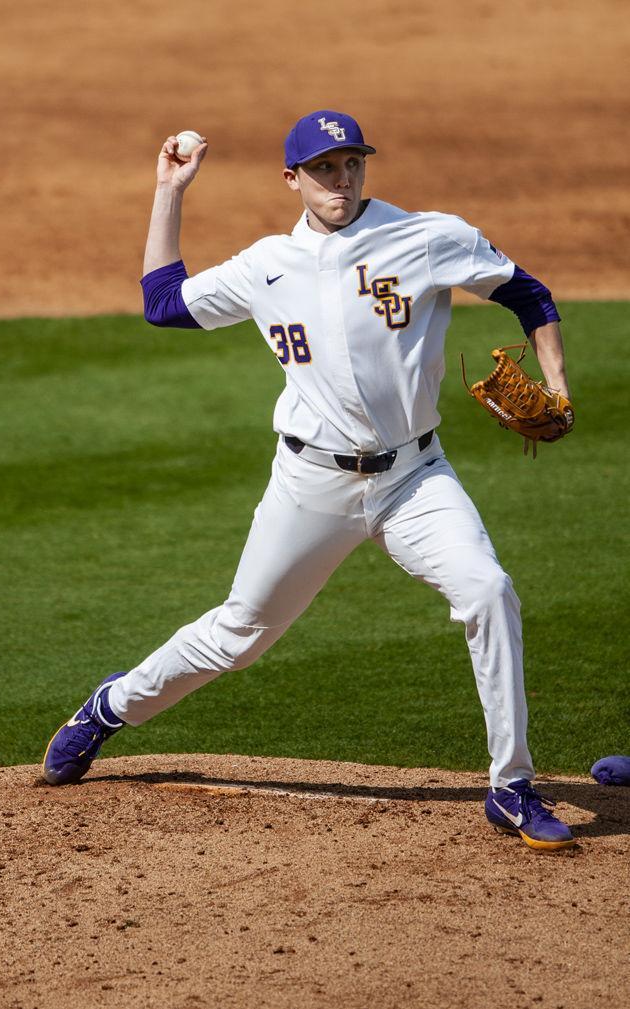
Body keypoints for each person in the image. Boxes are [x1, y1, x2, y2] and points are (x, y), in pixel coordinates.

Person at [43, 110, 576, 850]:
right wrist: (170, 190)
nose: (342, 178)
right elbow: (163, 305)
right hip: (311, 485)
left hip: (417, 478)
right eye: (324, 167)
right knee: (240, 633)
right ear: (292, 178)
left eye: (353, 162)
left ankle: (511, 786)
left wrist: (559, 384)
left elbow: (529, 292)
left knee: (488, 589)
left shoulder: (425, 235)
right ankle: (109, 707)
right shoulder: (265, 265)